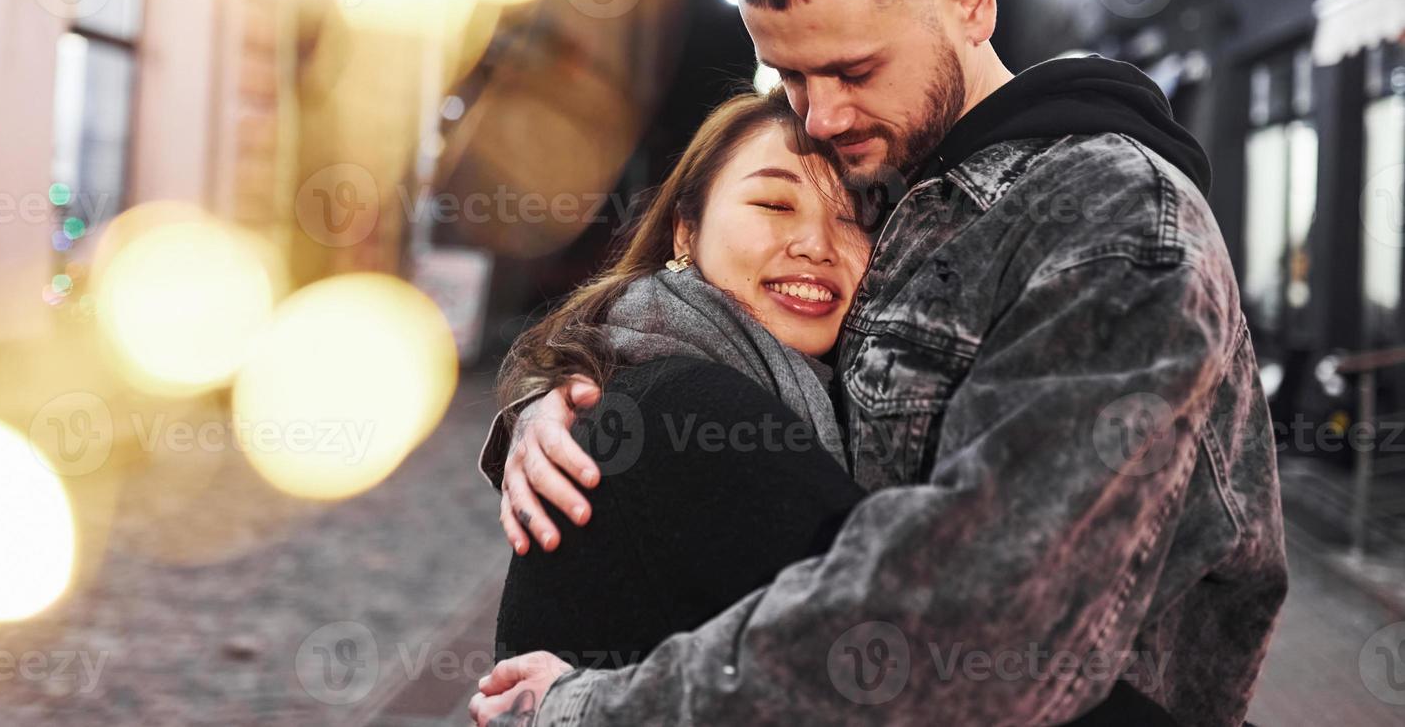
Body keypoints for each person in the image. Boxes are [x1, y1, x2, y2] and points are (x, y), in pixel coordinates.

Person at [472, 0, 1287, 726]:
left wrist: (597, 709)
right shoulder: (899, 187)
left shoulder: (1112, 218)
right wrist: (565, 398)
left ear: (970, 3)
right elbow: (754, 376)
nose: (819, 116)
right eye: (789, 77)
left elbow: (979, 626)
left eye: (852, 68)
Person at [490, 89, 1176, 727]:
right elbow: (940, 643)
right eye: (773, 205)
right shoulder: (687, 408)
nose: (817, 245)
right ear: (683, 232)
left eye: (853, 218)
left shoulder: (686, 382)